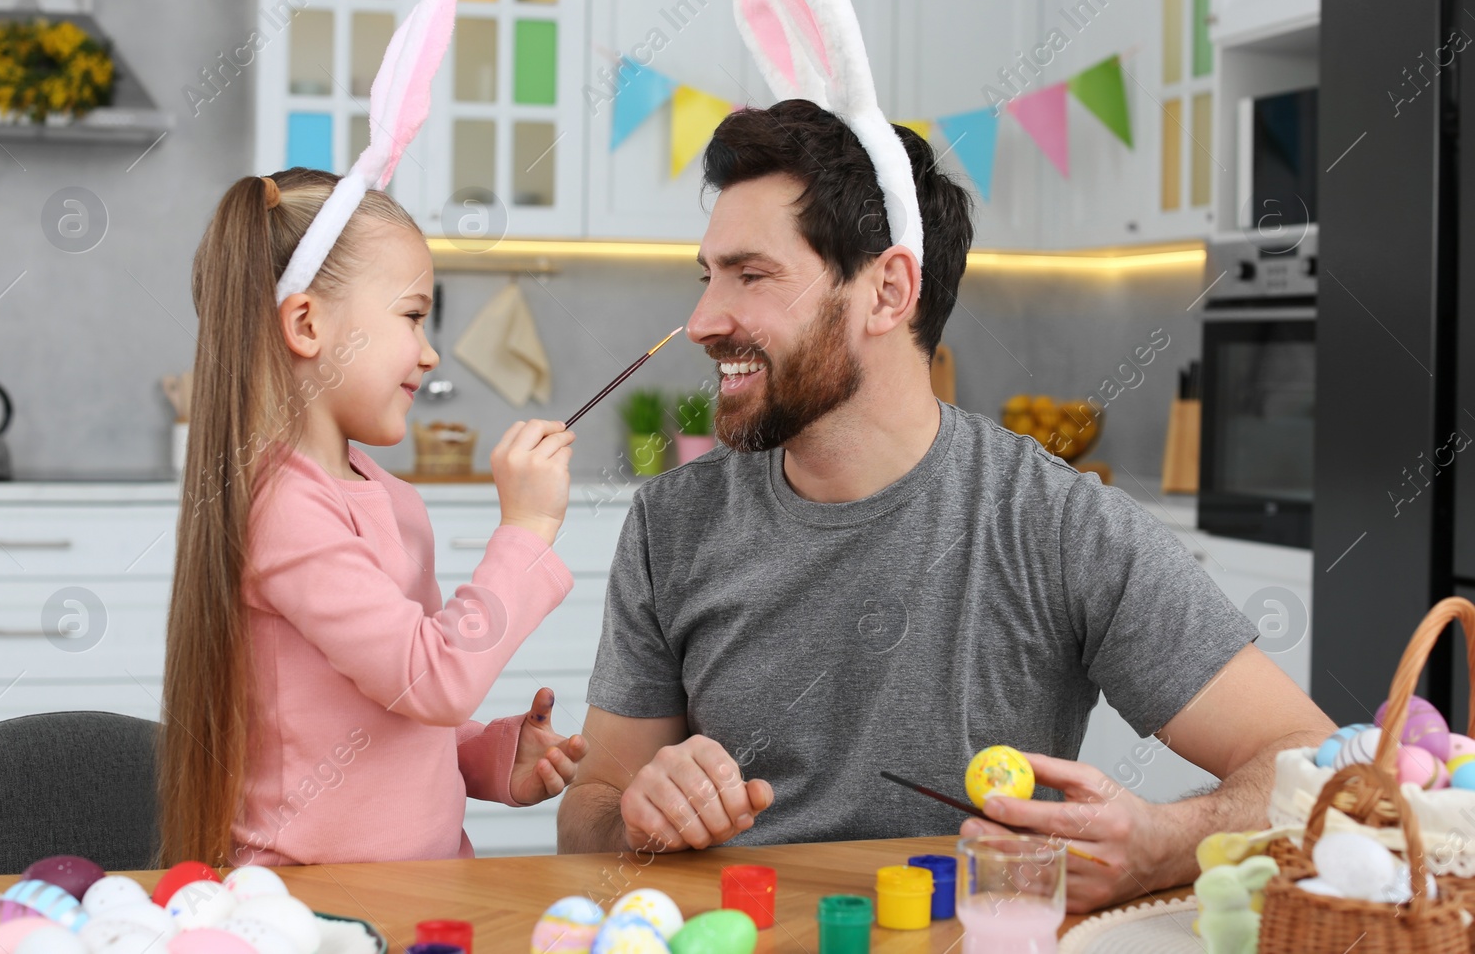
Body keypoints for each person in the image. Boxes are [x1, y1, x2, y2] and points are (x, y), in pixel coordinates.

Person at [555, 100, 1337, 912]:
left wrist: (1168, 843)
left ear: (888, 291)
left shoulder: (1058, 523)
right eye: (707, 276)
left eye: (750, 275)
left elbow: (1316, 761)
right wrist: (639, 815)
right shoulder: (671, 523)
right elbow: (588, 812)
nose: (702, 321)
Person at [158, 167, 586, 867]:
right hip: (310, 911)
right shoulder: (283, 509)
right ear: (306, 324)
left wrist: (488, 757)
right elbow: (433, 677)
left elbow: (393, 705)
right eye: (413, 315)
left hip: (421, 892)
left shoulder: (390, 497)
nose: (429, 350)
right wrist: (527, 529)